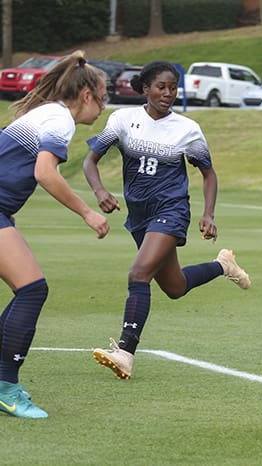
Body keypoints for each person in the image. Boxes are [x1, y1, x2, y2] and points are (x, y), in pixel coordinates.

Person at [83, 61, 251, 380]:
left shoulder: (187, 129)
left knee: (138, 275)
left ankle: (125, 353)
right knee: (175, 287)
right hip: (139, 215)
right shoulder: (122, 120)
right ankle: (224, 265)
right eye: (161, 86)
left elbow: (208, 174)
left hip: (171, 209)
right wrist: (99, 190)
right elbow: (91, 161)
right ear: (146, 88)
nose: (168, 93)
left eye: (173, 87)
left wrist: (208, 214)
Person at [0, 51, 111, 418]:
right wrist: (87, 213)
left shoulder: (46, 112)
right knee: (32, 290)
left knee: (29, 290)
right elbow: (45, 173)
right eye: (103, 97)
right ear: (86, 96)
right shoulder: (58, 119)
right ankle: (6, 387)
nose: (104, 105)